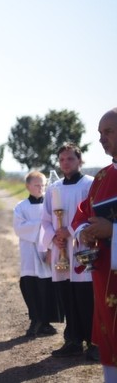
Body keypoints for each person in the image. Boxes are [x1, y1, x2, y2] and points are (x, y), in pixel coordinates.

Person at [73, 108, 117, 382]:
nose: (102, 139)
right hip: (105, 277)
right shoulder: (101, 178)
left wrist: (111, 229)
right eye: (100, 133)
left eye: (108, 132)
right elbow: (82, 214)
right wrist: (83, 233)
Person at [39, 143, 95, 359]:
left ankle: (93, 342)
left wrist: (69, 231)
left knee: (86, 297)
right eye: (61, 160)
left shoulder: (90, 185)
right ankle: (72, 340)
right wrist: (54, 237)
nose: (65, 163)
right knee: (67, 296)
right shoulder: (54, 188)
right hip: (61, 250)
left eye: (70, 159)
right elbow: (45, 219)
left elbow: (91, 213)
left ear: (79, 160)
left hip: (82, 246)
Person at [12, 171, 62, 338]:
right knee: (31, 285)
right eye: (36, 185)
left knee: (47, 286)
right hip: (29, 252)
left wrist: (48, 246)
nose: (41, 188)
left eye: (43, 185)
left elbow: (55, 225)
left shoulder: (50, 205)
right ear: (28, 186)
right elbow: (19, 228)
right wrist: (42, 226)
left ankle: (46, 322)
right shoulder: (21, 207)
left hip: (48, 249)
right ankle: (35, 320)